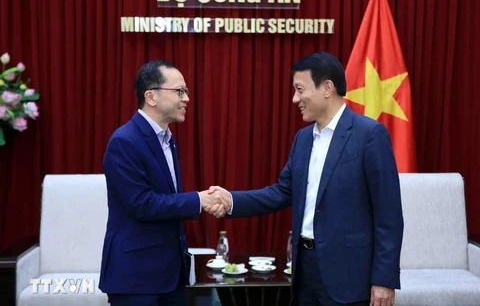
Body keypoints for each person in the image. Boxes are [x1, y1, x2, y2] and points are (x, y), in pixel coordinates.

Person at [208, 52, 404, 306]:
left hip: (350, 275)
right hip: (305, 272)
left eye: (300, 90)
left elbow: (389, 215)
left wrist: (384, 279)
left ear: (327, 88)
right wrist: (230, 199)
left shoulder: (369, 135)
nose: (295, 99)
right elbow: (281, 192)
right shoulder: (302, 139)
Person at [99, 60, 230, 306]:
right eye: (179, 91)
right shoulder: (124, 141)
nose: (186, 99)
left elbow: (167, 200)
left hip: (170, 275)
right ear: (151, 96)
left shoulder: (168, 140)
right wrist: (199, 200)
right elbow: (141, 204)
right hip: (136, 277)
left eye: (186, 92)